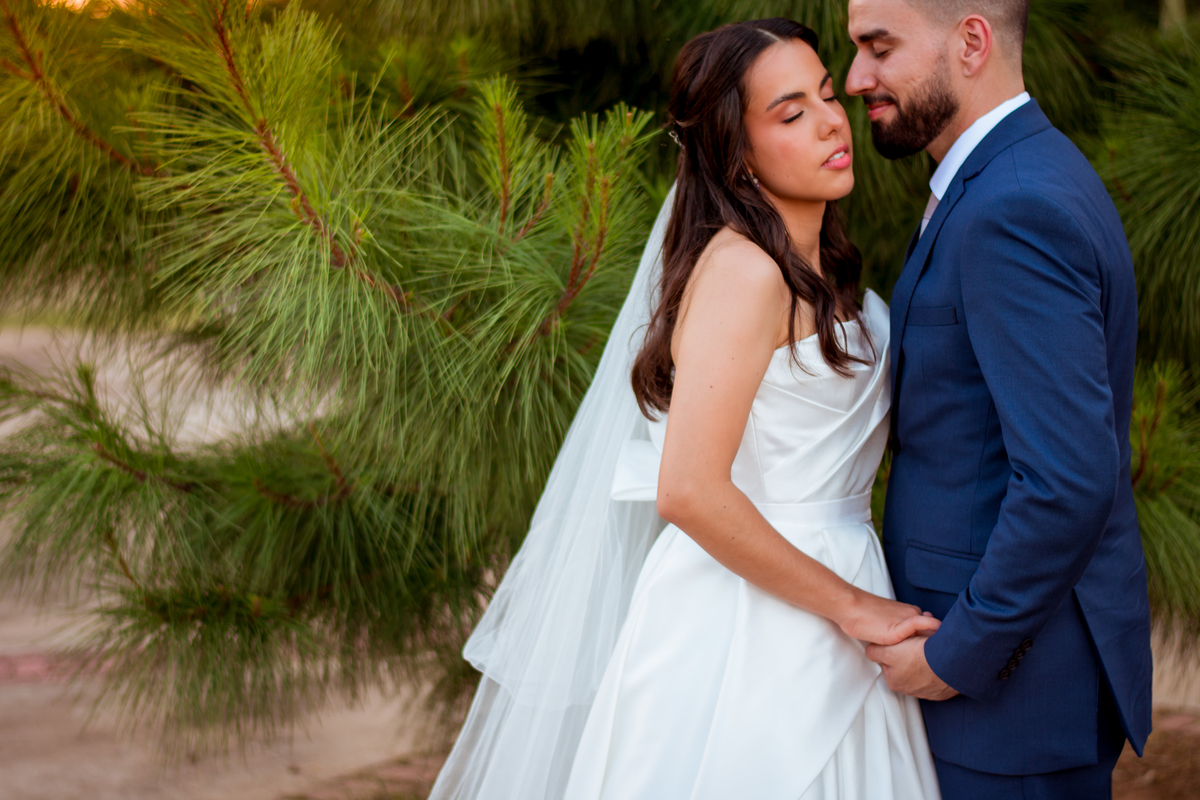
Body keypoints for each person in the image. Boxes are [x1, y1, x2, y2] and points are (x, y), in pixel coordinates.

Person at [429, 18, 942, 800]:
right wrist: (855, 608)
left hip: (839, 582)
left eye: (828, 95)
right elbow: (689, 490)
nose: (832, 121)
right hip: (749, 617)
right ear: (737, 152)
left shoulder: (827, 270)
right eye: (791, 112)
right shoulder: (744, 272)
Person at [843, 1, 1153, 797]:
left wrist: (956, 656)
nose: (855, 80)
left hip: (1010, 694)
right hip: (1012, 685)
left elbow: (1069, 478)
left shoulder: (1014, 206)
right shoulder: (1002, 178)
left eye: (879, 49)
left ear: (971, 41)